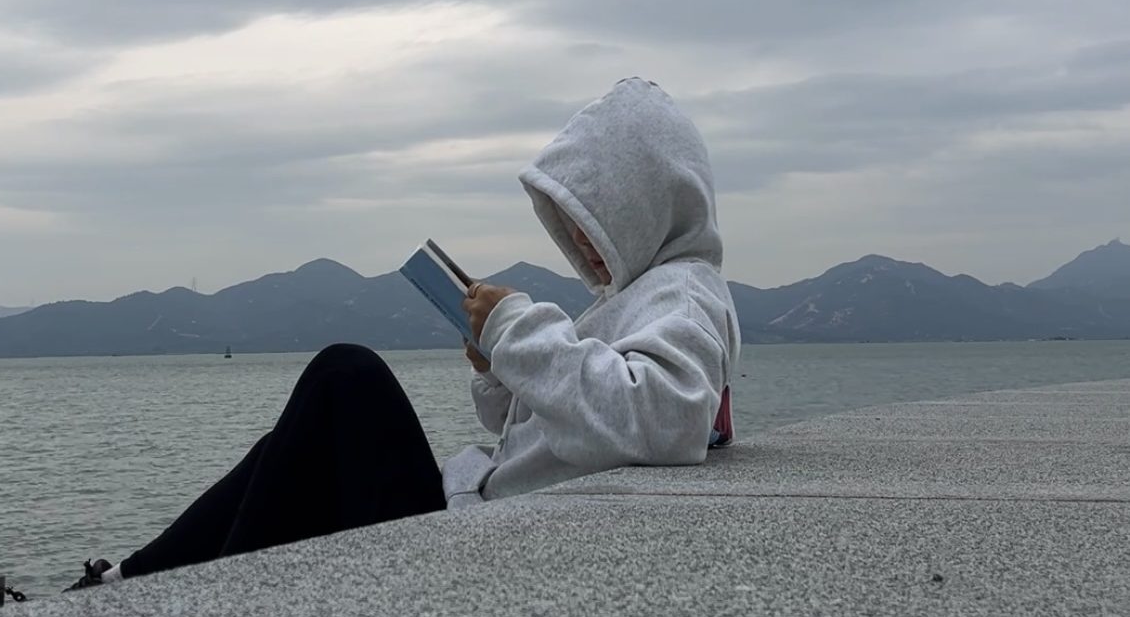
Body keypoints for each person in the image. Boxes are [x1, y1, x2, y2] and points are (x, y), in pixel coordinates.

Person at [66, 77, 741, 590]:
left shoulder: (681, 296)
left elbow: (665, 418)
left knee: (345, 376)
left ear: (658, 206)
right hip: (482, 516)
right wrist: (496, 367)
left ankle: (209, 600)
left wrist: (517, 328)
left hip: (480, 543)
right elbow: (560, 422)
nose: (589, 251)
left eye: (603, 224)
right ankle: (132, 581)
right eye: (579, 230)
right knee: (297, 441)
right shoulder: (636, 299)